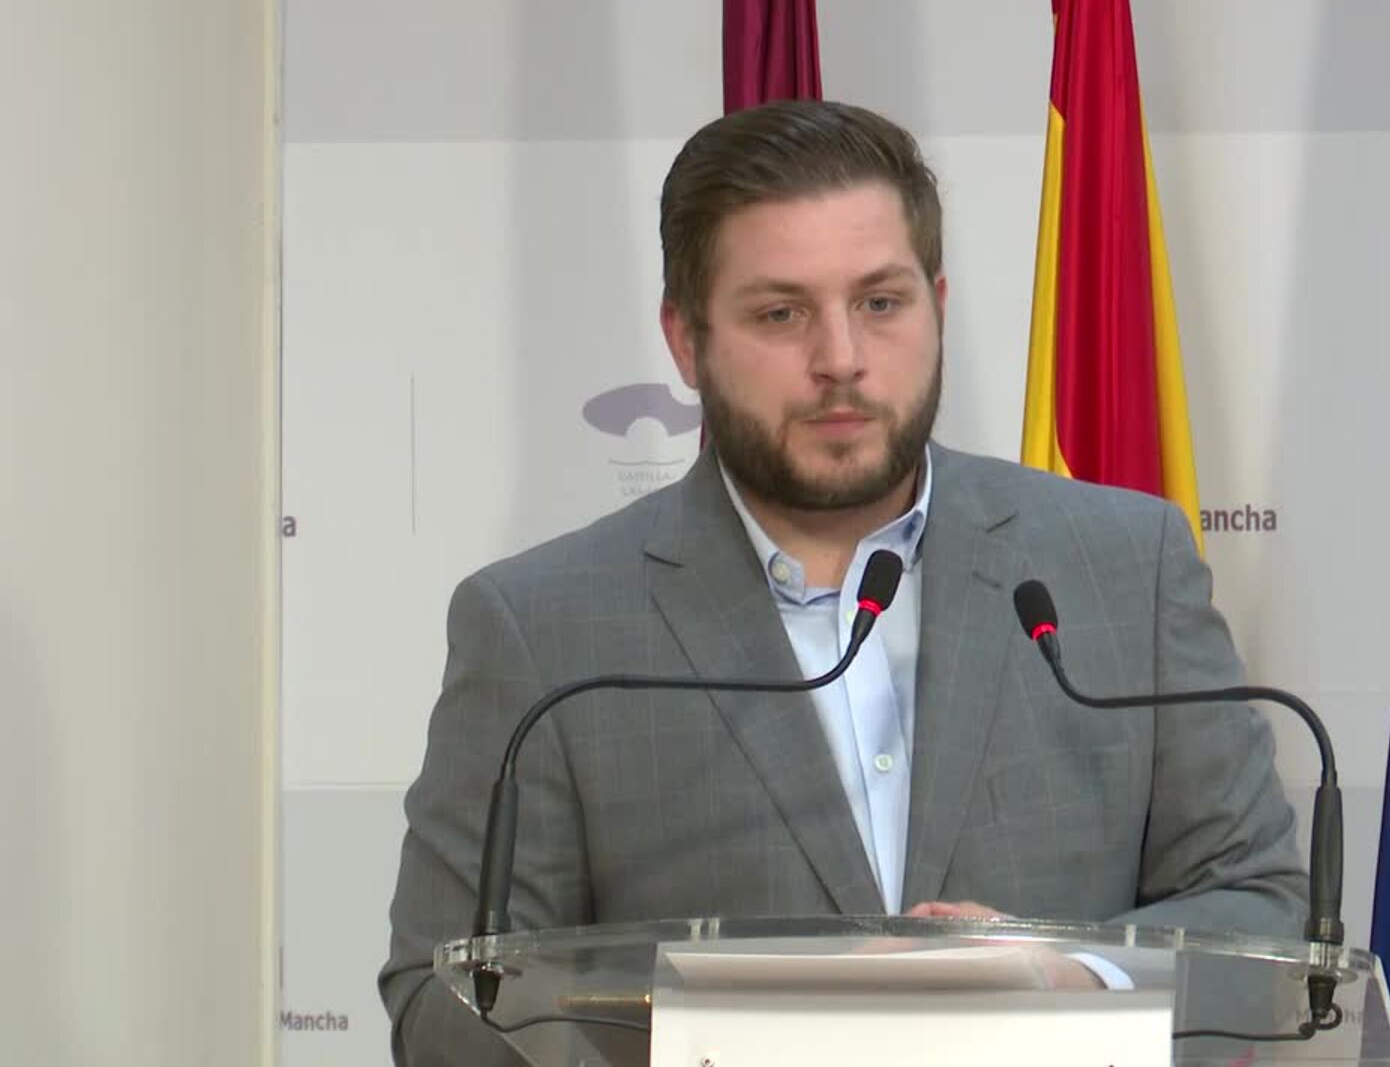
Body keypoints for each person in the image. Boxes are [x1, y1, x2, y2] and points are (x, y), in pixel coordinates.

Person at [379, 99, 1307, 1064]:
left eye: (880, 303)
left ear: (938, 306)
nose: (842, 360)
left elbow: (1266, 914)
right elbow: (445, 997)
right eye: (781, 313)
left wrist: (1072, 978)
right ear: (686, 340)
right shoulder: (542, 627)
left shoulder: (1123, 565)